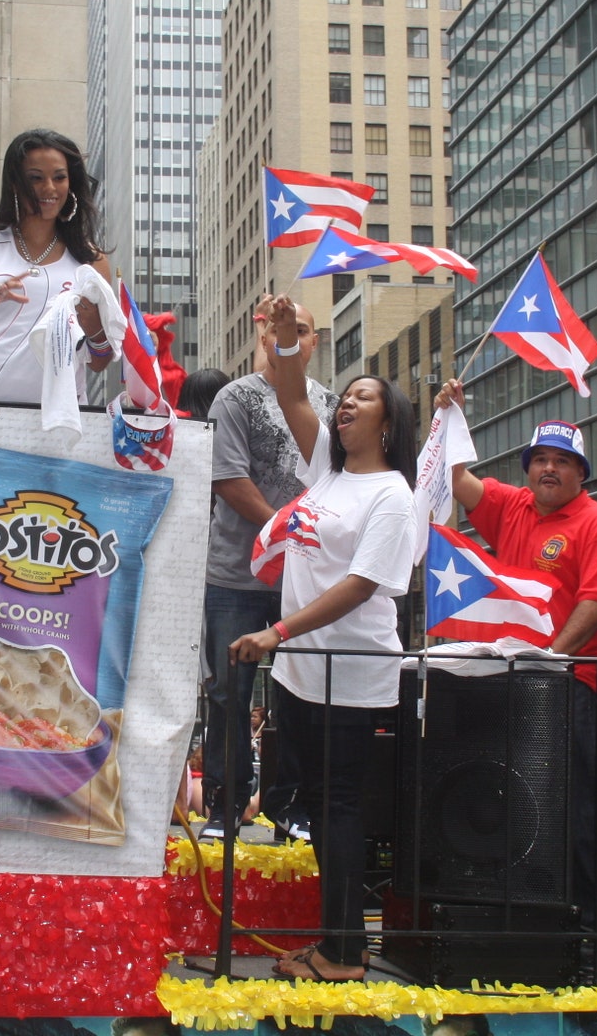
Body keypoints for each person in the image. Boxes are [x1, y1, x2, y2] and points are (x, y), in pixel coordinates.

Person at [228, 294, 416, 982]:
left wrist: (275, 631)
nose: (346, 406)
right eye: (345, 398)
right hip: (301, 673)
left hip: (350, 671)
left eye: (363, 399)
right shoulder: (326, 474)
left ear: (389, 425)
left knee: (339, 809)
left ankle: (344, 952)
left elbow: (362, 585)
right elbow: (288, 393)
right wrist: (283, 340)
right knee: (314, 806)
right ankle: (336, 940)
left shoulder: (392, 496)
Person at [433, 379, 597, 946]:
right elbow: (453, 480)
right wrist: (447, 417)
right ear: (526, 470)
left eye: (562, 462)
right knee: (511, 803)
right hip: (511, 685)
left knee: (579, 811)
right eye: (539, 459)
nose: (549, 470)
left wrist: (549, 658)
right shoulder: (511, 506)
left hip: (576, 687)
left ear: (581, 474)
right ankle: (525, 915)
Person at [198, 299, 339, 842]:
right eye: (284, 331)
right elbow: (228, 479)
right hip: (235, 576)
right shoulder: (234, 399)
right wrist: (285, 533)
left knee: (305, 693)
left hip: (309, 583)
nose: (292, 339)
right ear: (264, 338)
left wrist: (305, 546)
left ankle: (292, 806)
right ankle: (226, 803)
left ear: (313, 342)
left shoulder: (332, 406)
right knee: (228, 692)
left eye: (302, 332)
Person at [0, 129, 116, 403]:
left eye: (59, 178)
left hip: (61, 422)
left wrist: (95, 327)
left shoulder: (90, 260)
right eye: (35, 178)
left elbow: (99, 362)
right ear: (15, 182)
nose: (49, 188)